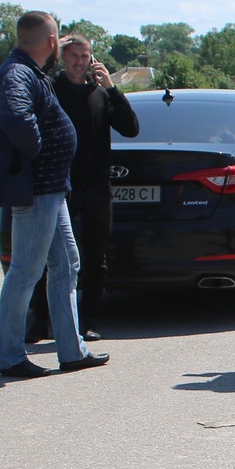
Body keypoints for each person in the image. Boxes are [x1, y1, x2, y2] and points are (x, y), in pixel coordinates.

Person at [0, 10, 107, 379]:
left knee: (66, 264)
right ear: (51, 43)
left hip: (52, 190)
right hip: (36, 191)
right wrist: (39, 148)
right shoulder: (17, 73)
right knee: (25, 272)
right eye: (59, 39)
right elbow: (15, 117)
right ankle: (11, 356)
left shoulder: (28, 72)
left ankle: (71, 350)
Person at [21, 33, 139, 343]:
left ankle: (88, 321)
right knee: (49, 255)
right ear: (63, 57)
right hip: (58, 184)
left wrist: (111, 89)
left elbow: (131, 127)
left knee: (95, 257)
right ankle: (40, 320)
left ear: (92, 60)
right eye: (73, 55)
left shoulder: (99, 94)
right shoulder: (50, 89)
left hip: (97, 185)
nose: (79, 62)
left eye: (85, 56)